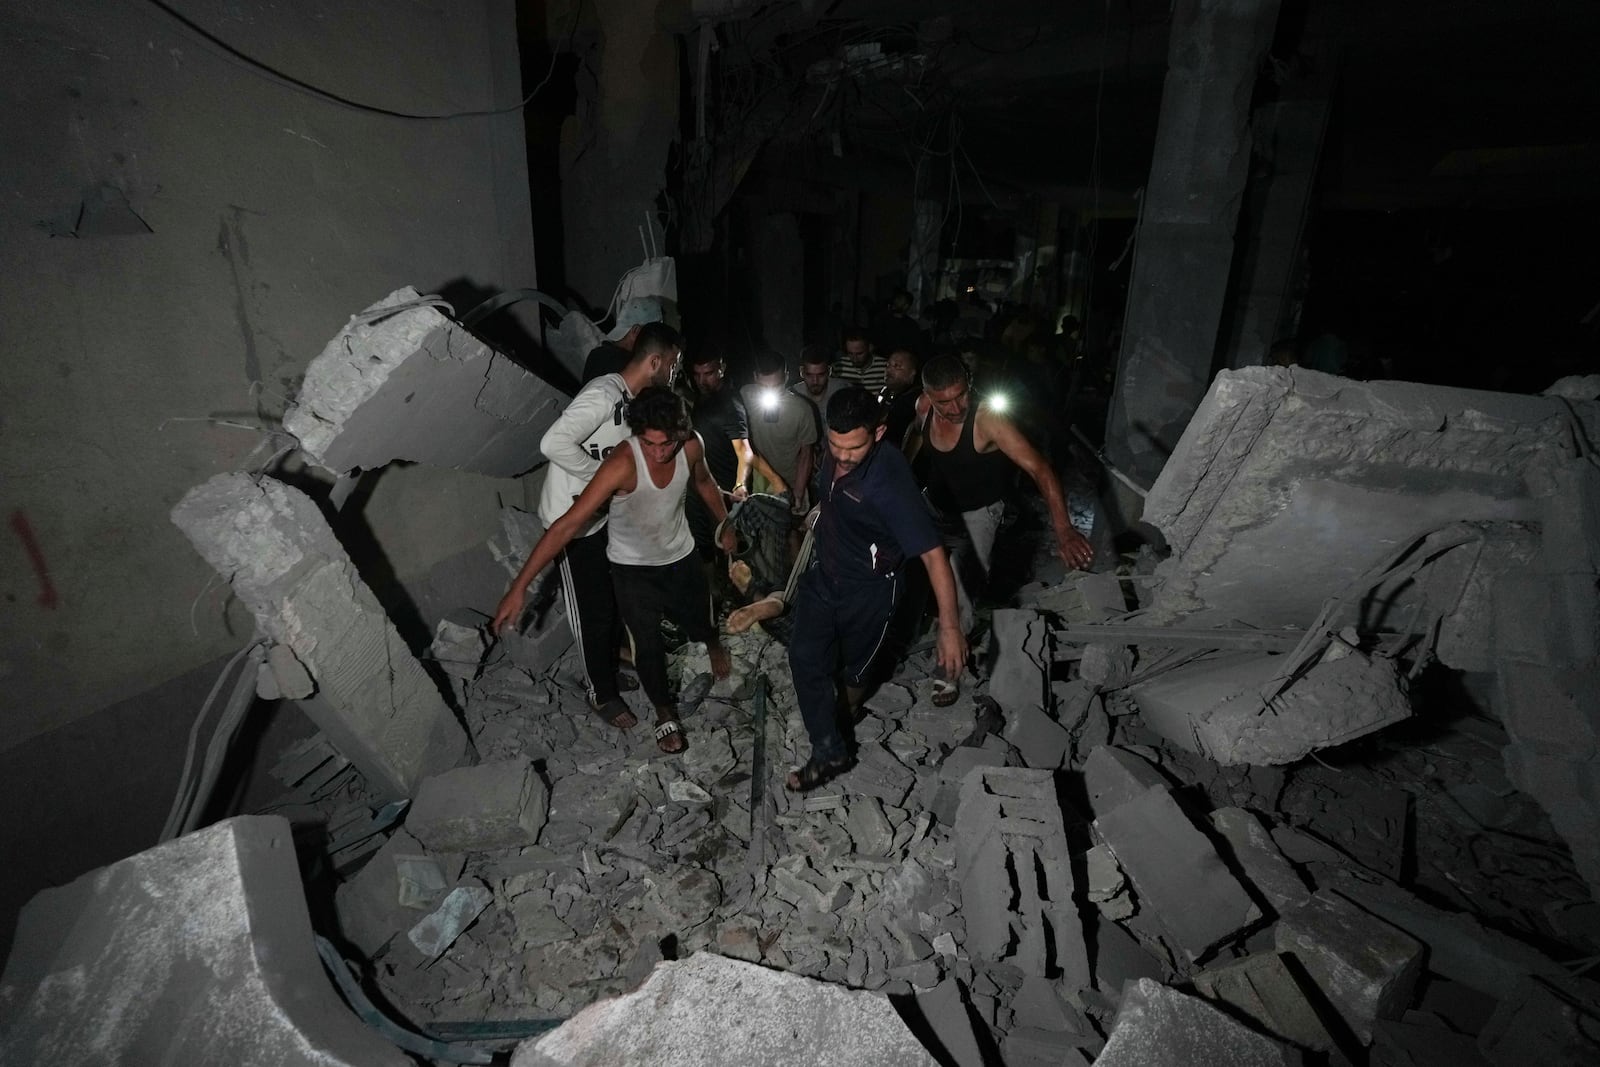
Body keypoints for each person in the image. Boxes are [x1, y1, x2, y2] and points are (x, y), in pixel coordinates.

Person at [494, 387, 734, 755]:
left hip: (679, 556)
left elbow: (704, 482)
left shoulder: (690, 447)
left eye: (665, 443)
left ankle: (713, 642)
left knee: (699, 620)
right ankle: (663, 712)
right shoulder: (623, 462)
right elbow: (564, 526)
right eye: (649, 443)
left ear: (681, 433)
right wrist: (519, 587)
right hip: (632, 568)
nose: (658, 452)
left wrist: (725, 524)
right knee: (647, 643)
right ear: (637, 435)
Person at [785, 387, 967, 791]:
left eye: (853, 448)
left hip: (869, 591)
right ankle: (828, 748)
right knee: (803, 658)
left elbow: (934, 556)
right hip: (824, 575)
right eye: (835, 445)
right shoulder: (836, 450)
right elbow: (833, 492)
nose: (843, 456)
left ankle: (844, 716)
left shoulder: (889, 484)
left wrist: (949, 628)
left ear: (879, 432)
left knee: (855, 671)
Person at [515, 323, 683, 732]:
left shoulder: (634, 401)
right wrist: (601, 477)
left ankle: (605, 669)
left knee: (610, 603)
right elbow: (552, 443)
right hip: (570, 521)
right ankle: (598, 691)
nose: (676, 371)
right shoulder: (603, 394)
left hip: (599, 516)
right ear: (655, 361)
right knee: (590, 610)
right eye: (674, 364)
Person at [909, 353, 1094, 702]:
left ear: (969, 384)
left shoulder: (989, 420)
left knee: (963, 583)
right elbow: (914, 439)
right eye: (943, 401)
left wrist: (1064, 529)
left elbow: (1040, 469)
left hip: (979, 512)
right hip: (933, 506)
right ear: (929, 396)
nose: (954, 407)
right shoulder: (922, 408)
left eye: (961, 395)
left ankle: (948, 669)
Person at [582, 296, 668, 383]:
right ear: (636, 331)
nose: (656, 342)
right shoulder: (627, 368)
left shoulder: (596, 354)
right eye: (653, 335)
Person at [878, 347, 921, 449]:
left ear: (912, 373)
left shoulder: (914, 400)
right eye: (888, 365)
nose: (889, 370)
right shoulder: (885, 392)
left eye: (897, 366)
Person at [793, 344, 846, 421]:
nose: (815, 381)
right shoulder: (794, 395)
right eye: (809, 375)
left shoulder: (842, 392)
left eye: (821, 375)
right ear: (802, 372)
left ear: (829, 371)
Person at [833, 327, 888, 393]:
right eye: (850, 353)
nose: (855, 359)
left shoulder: (884, 366)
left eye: (859, 354)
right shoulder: (839, 366)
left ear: (870, 348)